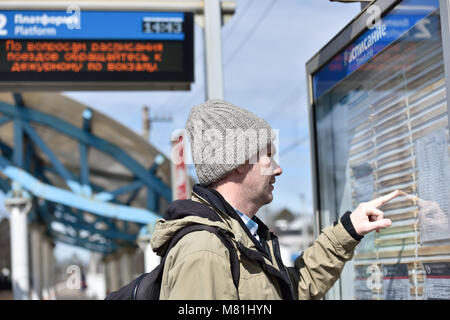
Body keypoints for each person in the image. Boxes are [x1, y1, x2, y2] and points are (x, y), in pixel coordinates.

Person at [150, 99, 399, 300]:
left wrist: (348, 230)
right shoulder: (206, 250)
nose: (278, 169)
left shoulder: (242, 240)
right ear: (238, 163)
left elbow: (295, 288)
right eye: (268, 156)